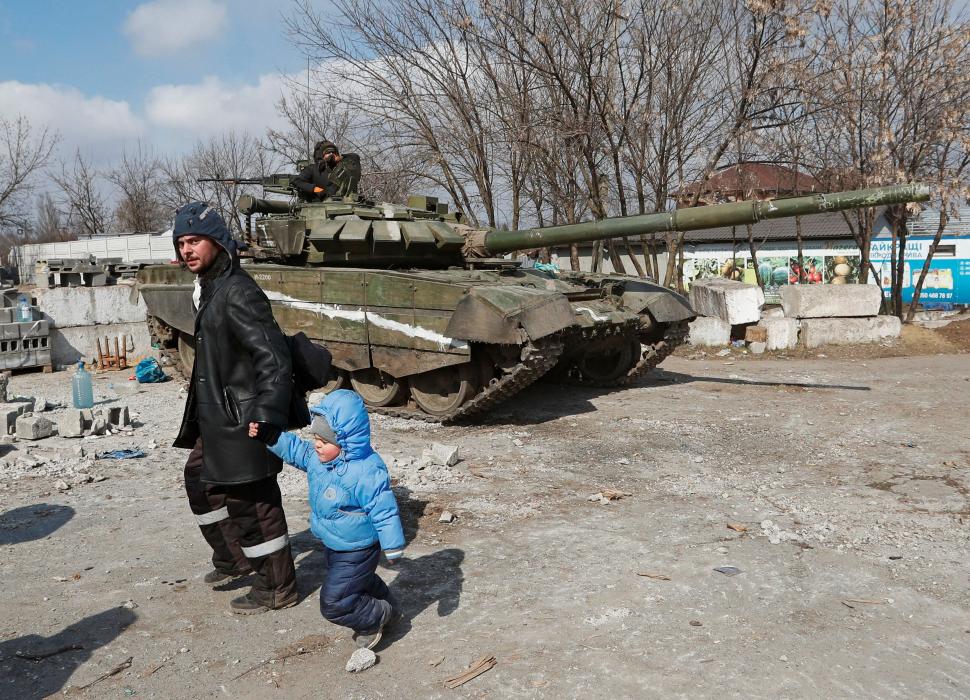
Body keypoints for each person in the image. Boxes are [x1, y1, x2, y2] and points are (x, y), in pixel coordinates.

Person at [171, 201, 299, 614]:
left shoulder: (238, 292)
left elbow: (273, 357)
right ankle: (234, 558)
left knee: (253, 504)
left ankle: (276, 587)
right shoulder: (211, 287)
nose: (187, 250)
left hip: (244, 418)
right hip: (218, 416)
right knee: (200, 480)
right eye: (181, 243)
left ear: (218, 243)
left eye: (195, 241)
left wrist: (267, 412)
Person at [248, 389, 405, 649]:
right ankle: (389, 607)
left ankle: (377, 617)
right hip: (334, 543)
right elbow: (296, 450)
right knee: (358, 582)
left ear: (346, 440)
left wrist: (393, 544)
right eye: (316, 437)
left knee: (333, 603)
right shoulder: (318, 459)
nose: (317, 444)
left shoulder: (366, 470)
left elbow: (383, 508)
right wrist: (270, 435)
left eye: (325, 440)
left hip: (358, 547)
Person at [293, 140, 362, 202]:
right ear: (321, 155)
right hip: (319, 206)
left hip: (343, 204)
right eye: (328, 152)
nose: (331, 154)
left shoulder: (341, 169)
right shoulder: (312, 169)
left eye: (333, 152)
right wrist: (315, 189)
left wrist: (341, 157)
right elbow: (297, 181)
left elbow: (355, 157)